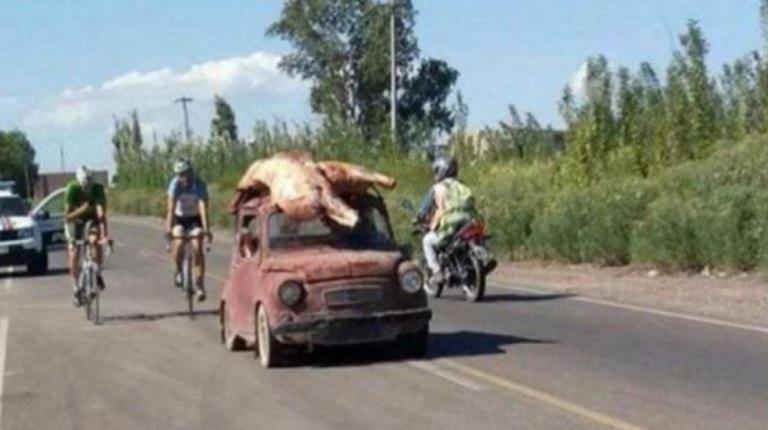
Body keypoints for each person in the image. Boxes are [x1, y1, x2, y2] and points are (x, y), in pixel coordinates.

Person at [422, 156, 477, 285]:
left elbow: (424, 209)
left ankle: (437, 272)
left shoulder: (436, 188)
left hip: (449, 227)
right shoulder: (463, 185)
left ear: (441, 170)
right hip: (469, 223)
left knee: (427, 241)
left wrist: (420, 216)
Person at [165, 159, 211, 302]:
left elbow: (203, 209)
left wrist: (207, 230)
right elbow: (170, 210)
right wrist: (168, 232)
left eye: (185, 174)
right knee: (178, 242)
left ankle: (199, 284)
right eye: (179, 174)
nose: (182, 178)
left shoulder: (199, 184)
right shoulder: (175, 185)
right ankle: (178, 270)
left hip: (195, 219)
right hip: (180, 218)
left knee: (197, 246)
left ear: (191, 173)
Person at [65, 166, 110, 307]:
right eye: (84, 185)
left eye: (89, 184)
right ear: (79, 182)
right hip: (75, 222)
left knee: (95, 241)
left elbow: (101, 215)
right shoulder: (72, 189)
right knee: (74, 253)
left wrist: (105, 236)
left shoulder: (97, 189)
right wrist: (82, 209)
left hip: (92, 220)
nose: (87, 188)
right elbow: (67, 217)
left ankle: (97, 273)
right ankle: (76, 289)